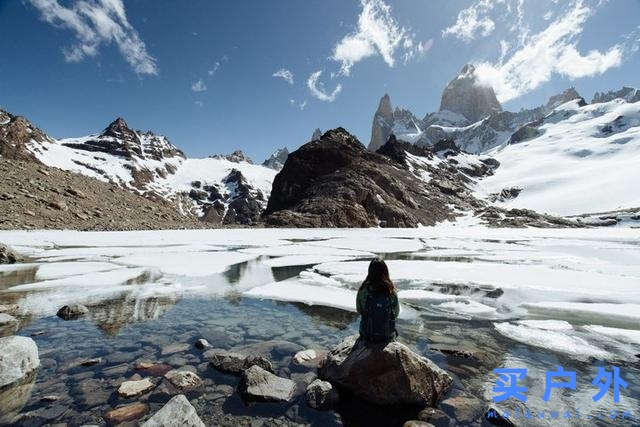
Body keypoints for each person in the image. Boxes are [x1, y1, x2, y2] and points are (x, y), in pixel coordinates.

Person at [356, 257, 399, 344]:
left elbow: (359, 309)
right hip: (386, 335)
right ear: (385, 271)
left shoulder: (364, 288)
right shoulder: (390, 290)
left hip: (367, 334)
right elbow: (396, 313)